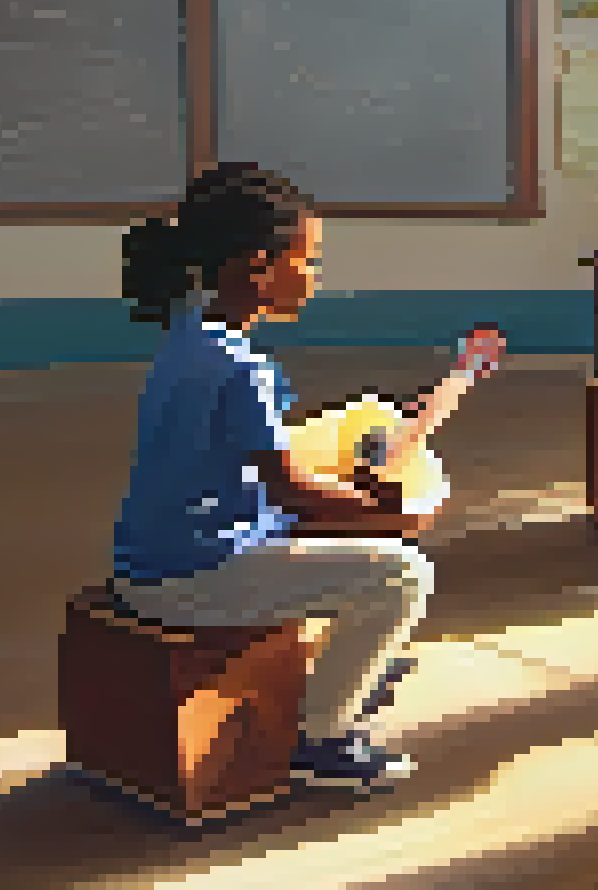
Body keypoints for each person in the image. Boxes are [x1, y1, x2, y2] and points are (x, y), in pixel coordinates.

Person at [110, 163, 502, 791]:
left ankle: (343, 679)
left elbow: (252, 467)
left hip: (152, 559)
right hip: (190, 577)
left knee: (352, 549)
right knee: (401, 573)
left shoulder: (188, 336)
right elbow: (289, 487)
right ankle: (319, 737)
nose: (315, 274)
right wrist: (394, 512)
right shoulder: (241, 368)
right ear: (259, 266)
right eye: (308, 259)